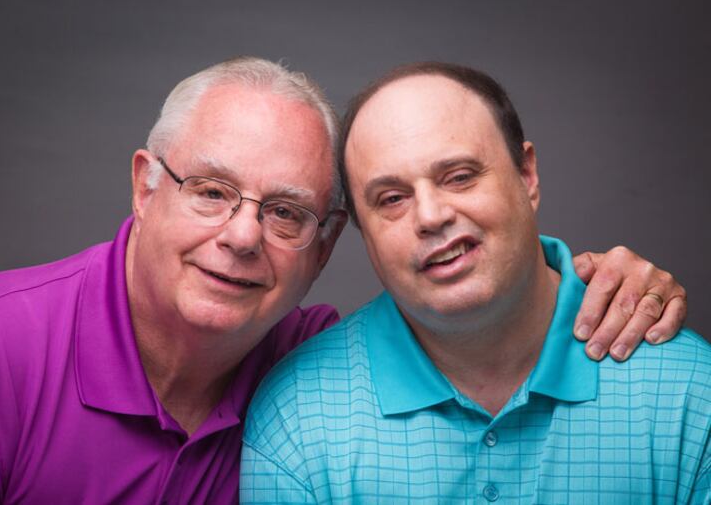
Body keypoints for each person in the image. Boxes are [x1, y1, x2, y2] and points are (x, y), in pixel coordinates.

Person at [0, 57, 688, 505]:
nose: (242, 236)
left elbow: (476, 306)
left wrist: (595, 279)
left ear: (326, 244)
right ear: (146, 187)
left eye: (285, 211)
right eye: (210, 190)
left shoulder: (306, 363)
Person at [240, 62, 710, 504]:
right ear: (363, 232)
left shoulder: (689, 392)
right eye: (392, 198)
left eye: (459, 177)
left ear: (526, 175)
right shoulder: (299, 415)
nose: (431, 216)